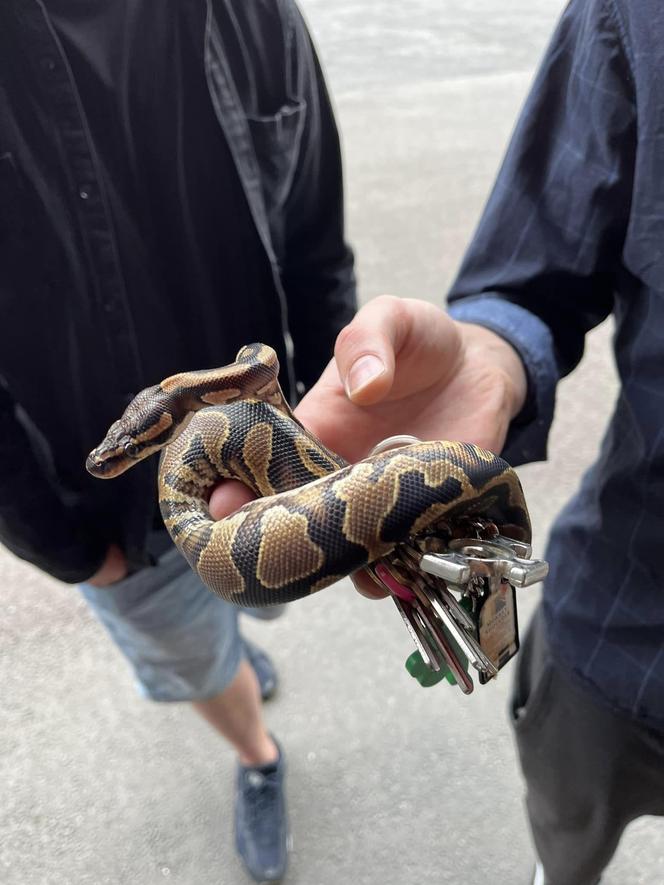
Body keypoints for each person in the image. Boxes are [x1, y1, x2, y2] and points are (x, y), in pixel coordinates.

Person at [212, 1, 664, 883]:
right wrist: (489, 360)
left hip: (605, 625)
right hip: (621, 624)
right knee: (565, 833)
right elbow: (530, 281)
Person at [0, 1, 354, 881]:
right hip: (112, 526)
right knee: (200, 663)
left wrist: (319, 436)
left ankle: (240, 640)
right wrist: (75, 552)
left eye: (133, 439)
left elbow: (317, 246)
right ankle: (258, 754)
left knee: (253, 602)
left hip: (270, 473)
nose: (127, 441)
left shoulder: (256, 15)